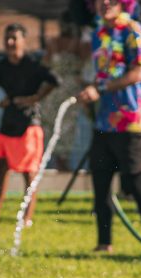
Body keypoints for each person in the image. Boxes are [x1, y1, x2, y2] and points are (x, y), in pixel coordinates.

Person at [77, 0, 141, 256]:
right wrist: (90, 95)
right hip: (104, 120)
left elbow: (137, 73)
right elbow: (103, 73)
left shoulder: (133, 31)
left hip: (132, 120)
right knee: (100, 181)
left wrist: (100, 89)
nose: (104, 4)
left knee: (135, 181)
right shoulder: (99, 34)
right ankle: (105, 243)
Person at [0, 23, 59, 224]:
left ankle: (26, 217)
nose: (10, 42)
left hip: (29, 122)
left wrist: (35, 97)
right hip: (8, 120)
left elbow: (54, 81)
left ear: (23, 41)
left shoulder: (32, 64)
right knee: (1, 168)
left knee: (29, 172)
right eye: (7, 38)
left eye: (14, 38)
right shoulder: (1, 66)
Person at [40, 12, 91, 170]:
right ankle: (57, 161)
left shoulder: (81, 44)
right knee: (52, 126)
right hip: (54, 92)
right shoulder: (55, 43)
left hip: (67, 93)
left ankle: (62, 162)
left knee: (66, 127)